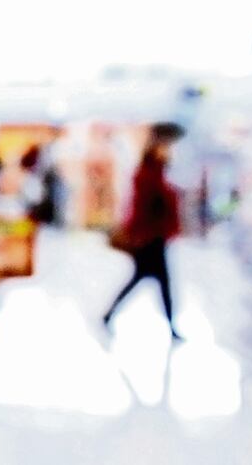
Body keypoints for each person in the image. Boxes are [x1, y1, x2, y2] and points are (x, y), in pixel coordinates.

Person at [102, 123, 185, 340]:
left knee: (149, 281)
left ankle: (110, 315)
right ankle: (170, 326)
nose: (169, 151)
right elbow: (142, 208)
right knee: (159, 283)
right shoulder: (147, 176)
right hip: (150, 239)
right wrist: (138, 233)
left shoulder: (156, 173)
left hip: (155, 237)